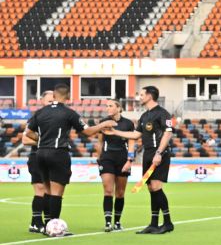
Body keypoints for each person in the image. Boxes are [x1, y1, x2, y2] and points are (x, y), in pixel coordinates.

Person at [21, 84, 116, 234]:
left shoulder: (40, 112)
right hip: (58, 154)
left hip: (40, 154)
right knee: (57, 193)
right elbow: (88, 132)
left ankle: (46, 226)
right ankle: (55, 228)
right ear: (68, 96)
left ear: (53, 96)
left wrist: (42, 140)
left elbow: (27, 133)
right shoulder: (68, 113)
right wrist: (103, 124)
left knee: (47, 191)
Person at [110, 86, 175, 233]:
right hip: (148, 154)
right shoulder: (145, 116)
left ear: (150, 96)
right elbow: (135, 135)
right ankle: (153, 223)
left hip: (160, 154)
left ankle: (167, 222)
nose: (139, 97)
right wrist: (114, 132)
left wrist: (159, 152)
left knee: (157, 187)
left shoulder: (163, 113)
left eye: (141, 94)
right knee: (151, 188)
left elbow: (168, 133)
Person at [96, 99, 136, 231]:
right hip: (107, 158)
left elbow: (131, 142)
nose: (108, 108)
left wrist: (129, 160)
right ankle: (108, 222)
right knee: (108, 190)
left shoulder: (128, 124)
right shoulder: (103, 122)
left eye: (110, 106)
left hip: (122, 159)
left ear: (118, 108)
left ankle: (117, 222)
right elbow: (100, 142)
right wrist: (99, 158)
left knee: (120, 193)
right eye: (106, 106)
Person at [25, 88, 54, 233]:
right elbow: (25, 139)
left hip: (51, 158)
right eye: (49, 101)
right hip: (37, 157)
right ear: (42, 101)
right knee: (40, 190)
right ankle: (37, 222)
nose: (52, 103)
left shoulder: (58, 118)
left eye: (54, 101)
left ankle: (43, 222)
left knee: (49, 191)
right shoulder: (37, 117)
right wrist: (44, 140)